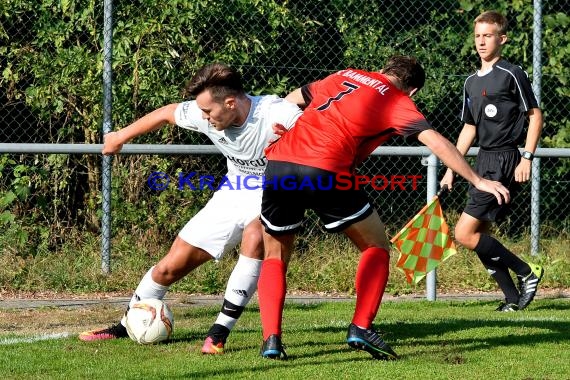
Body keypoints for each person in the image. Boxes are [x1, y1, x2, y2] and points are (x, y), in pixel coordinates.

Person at [256, 55, 511, 361]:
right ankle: (361, 326)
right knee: (375, 245)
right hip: (325, 170)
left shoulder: (344, 74)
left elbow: (292, 99)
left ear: (384, 70)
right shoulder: (396, 99)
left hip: (280, 164)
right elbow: (436, 141)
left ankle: (271, 340)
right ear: (413, 90)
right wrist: (477, 179)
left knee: (275, 254)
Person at [78, 63, 302, 354]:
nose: (205, 118)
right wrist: (120, 136)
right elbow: (167, 113)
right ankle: (126, 323)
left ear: (230, 103)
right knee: (170, 266)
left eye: (209, 112)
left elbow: (325, 134)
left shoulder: (278, 114)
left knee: (255, 236)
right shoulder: (206, 111)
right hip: (233, 191)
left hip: (276, 191)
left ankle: (219, 333)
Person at [440, 11, 544, 313]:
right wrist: (451, 168)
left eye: (488, 35)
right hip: (482, 161)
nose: (481, 41)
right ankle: (512, 299)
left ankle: (527, 272)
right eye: (477, 36)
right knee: (477, 234)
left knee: (463, 233)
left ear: (502, 39)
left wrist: (527, 156)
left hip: (505, 158)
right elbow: (469, 128)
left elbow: (535, 116)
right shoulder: (471, 82)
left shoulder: (512, 73)